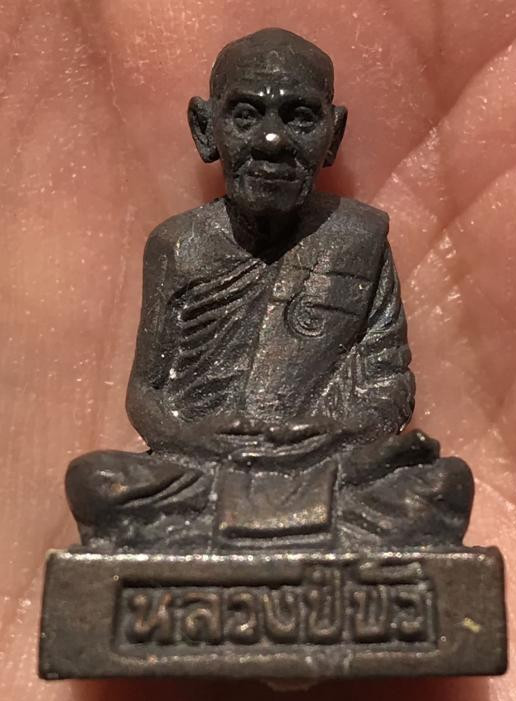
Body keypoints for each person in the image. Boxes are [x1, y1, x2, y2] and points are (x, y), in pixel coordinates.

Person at [65, 28, 473, 548]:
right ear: (205, 128)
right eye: (245, 115)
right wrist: (194, 440)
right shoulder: (178, 245)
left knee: (444, 486)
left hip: (325, 465)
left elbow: (388, 383)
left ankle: (226, 540)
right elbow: (146, 393)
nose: (272, 141)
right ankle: (293, 537)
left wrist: (339, 434)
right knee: (98, 482)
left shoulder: (359, 239)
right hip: (206, 468)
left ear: (333, 134)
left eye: (299, 118)